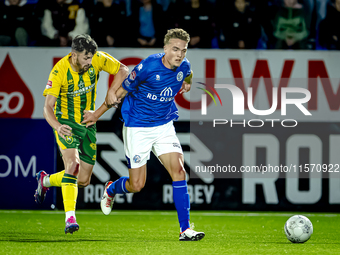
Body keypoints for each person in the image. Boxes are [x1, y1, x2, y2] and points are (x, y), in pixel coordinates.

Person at [83, 28, 205, 241]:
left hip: (164, 126)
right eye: (175, 49)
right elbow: (119, 94)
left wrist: (188, 81)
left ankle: (185, 230)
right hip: (137, 127)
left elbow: (188, 72)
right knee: (136, 185)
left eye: (183, 50)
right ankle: (112, 188)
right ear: (165, 48)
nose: (179, 54)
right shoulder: (147, 67)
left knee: (179, 171)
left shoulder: (184, 65)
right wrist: (96, 115)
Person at [34, 34, 129, 234]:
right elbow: (47, 108)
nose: (89, 62)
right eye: (85, 58)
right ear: (74, 55)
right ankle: (70, 218)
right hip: (66, 122)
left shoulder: (96, 58)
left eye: (91, 58)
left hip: (88, 122)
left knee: (83, 180)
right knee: (73, 165)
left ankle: (45, 180)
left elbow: (123, 69)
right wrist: (58, 126)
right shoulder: (60, 70)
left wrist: (111, 91)